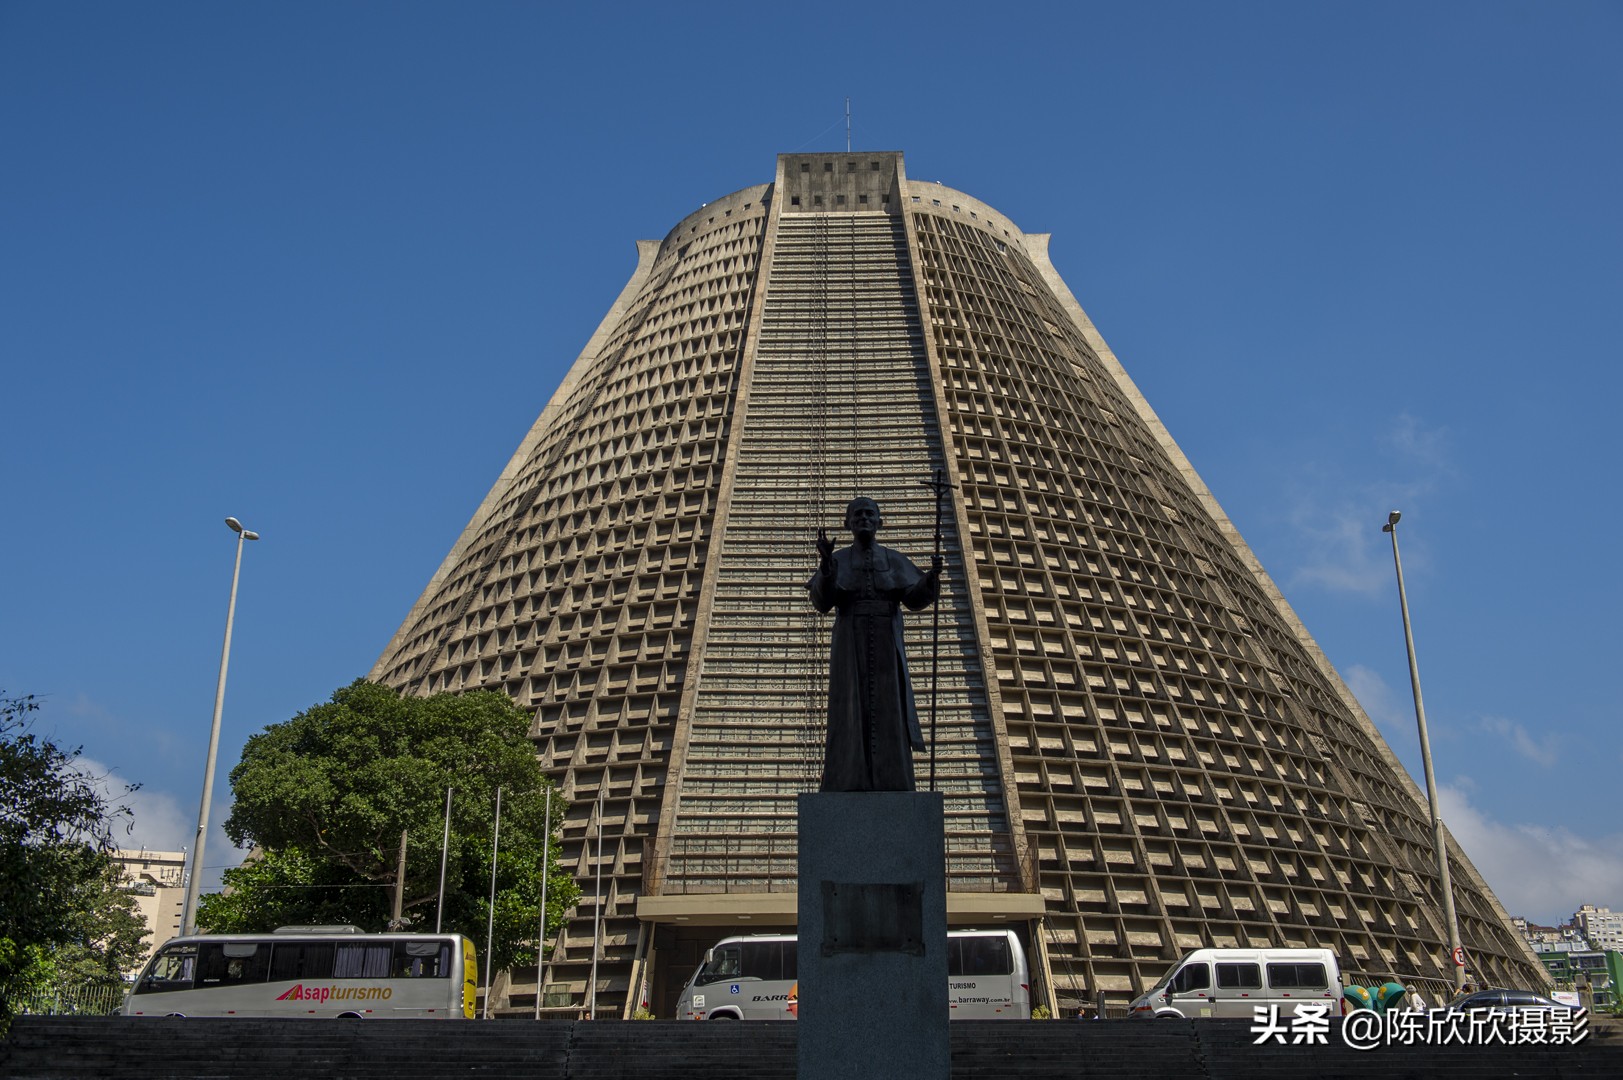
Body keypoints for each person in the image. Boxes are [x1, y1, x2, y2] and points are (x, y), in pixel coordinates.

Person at [809, 497, 942, 792]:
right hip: (849, 642)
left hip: (886, 641)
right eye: (857, 515)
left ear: (881, 522)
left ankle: (894, 781)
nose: (864, 519)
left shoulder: (894, 560)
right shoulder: (838, 559)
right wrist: (827, 568)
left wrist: (931, 578)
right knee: (848, 710)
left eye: (870, 514)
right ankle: (845, 780)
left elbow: (914, 597)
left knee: (890, 711)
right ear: (847, 524)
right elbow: (822, 602)